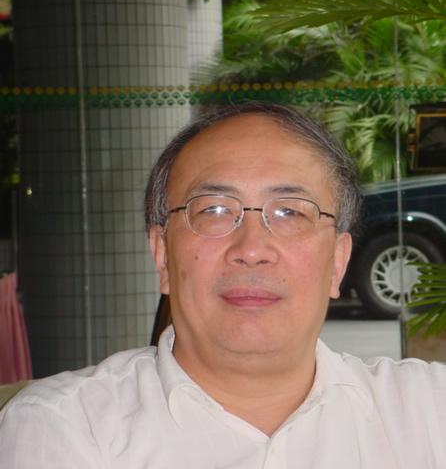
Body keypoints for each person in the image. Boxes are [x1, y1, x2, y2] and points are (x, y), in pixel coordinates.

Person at [1, 102, 445, 468]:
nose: (251, 249)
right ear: (162, 255)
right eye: (213, 210)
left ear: (338, 262)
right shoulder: (65, 428)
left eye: (290, 212)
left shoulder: (429, 411)